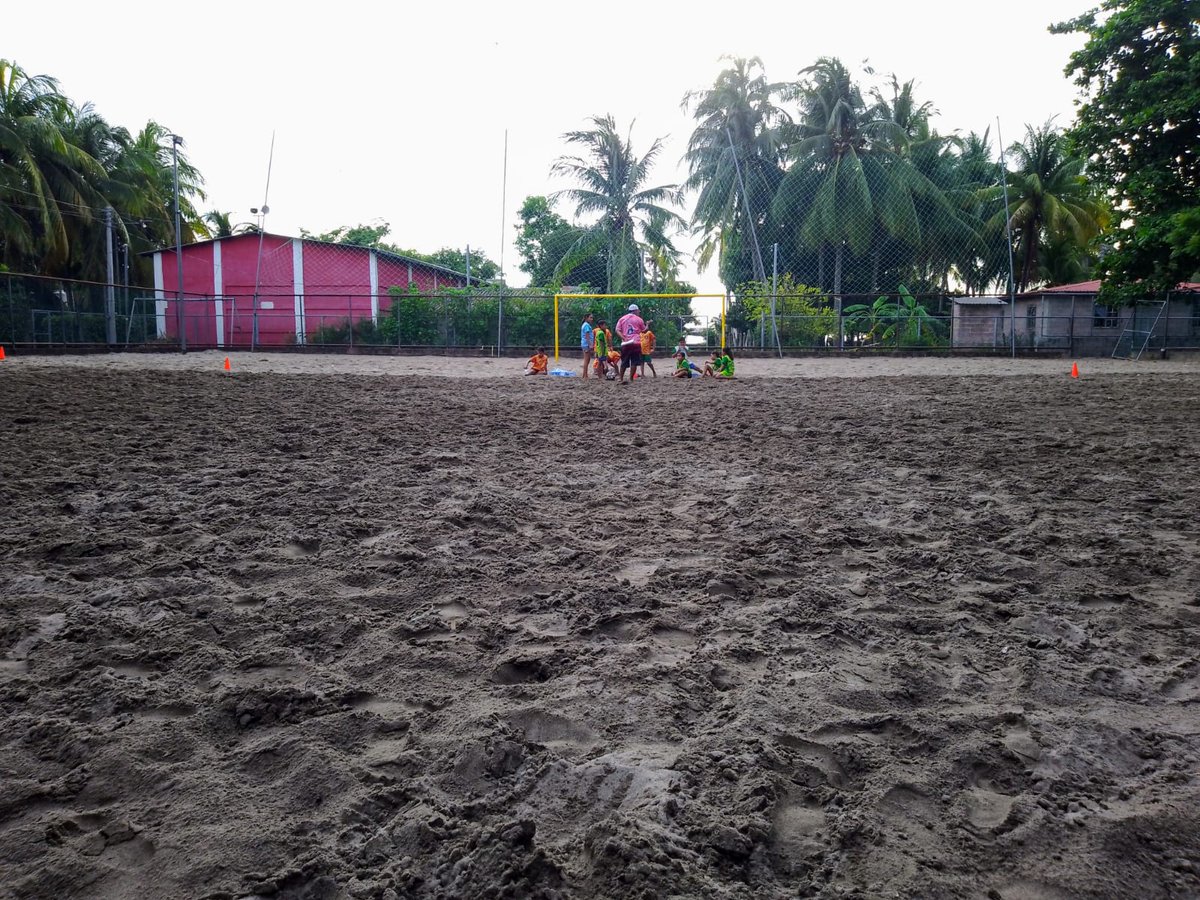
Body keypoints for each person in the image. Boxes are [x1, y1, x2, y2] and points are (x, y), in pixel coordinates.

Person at [615, 303, 647, 384]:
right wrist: (647, 326)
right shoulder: (639, 319)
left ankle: (621, 378)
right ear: (635, 311)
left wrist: (623, 337)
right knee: (634, 361)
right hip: (636, 342)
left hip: (626, 343)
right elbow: (644, 330)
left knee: (624, 361)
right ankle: (631, 378)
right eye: (638, 311)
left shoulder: (622, 319)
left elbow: (617, 330)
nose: (639, 312)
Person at [580, 313, 595, 380]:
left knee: (587, 359)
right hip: (586, 344)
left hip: (585, 344)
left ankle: (584, 374)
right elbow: (587, 335)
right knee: (586, 360)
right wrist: (590, 344)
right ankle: (585, 375)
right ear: (586, 318)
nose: (592, 319)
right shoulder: (586, 325)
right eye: (590, 317)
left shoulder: (585, 325)